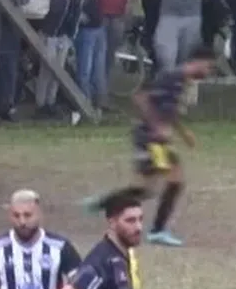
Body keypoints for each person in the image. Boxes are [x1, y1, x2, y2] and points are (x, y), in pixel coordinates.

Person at [81, 46, 216, 247]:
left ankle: (103, 202)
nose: (208, 72)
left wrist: (181, 131)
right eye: (209, 67)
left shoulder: (180, 80)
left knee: (147, 188)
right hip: (150, 138)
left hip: (154, 139)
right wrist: (156, 126)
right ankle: (157, 230)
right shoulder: (173, 77)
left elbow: (168, 111)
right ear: (199, 61)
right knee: (173, 180)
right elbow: (141, 97)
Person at [36, 0, 84, 119]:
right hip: (50, 34)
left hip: (64, 36)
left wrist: (71, 38)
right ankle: (40, 104)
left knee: (59, 71)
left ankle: (51, 102)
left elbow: (76, 18)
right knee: (46, 70)